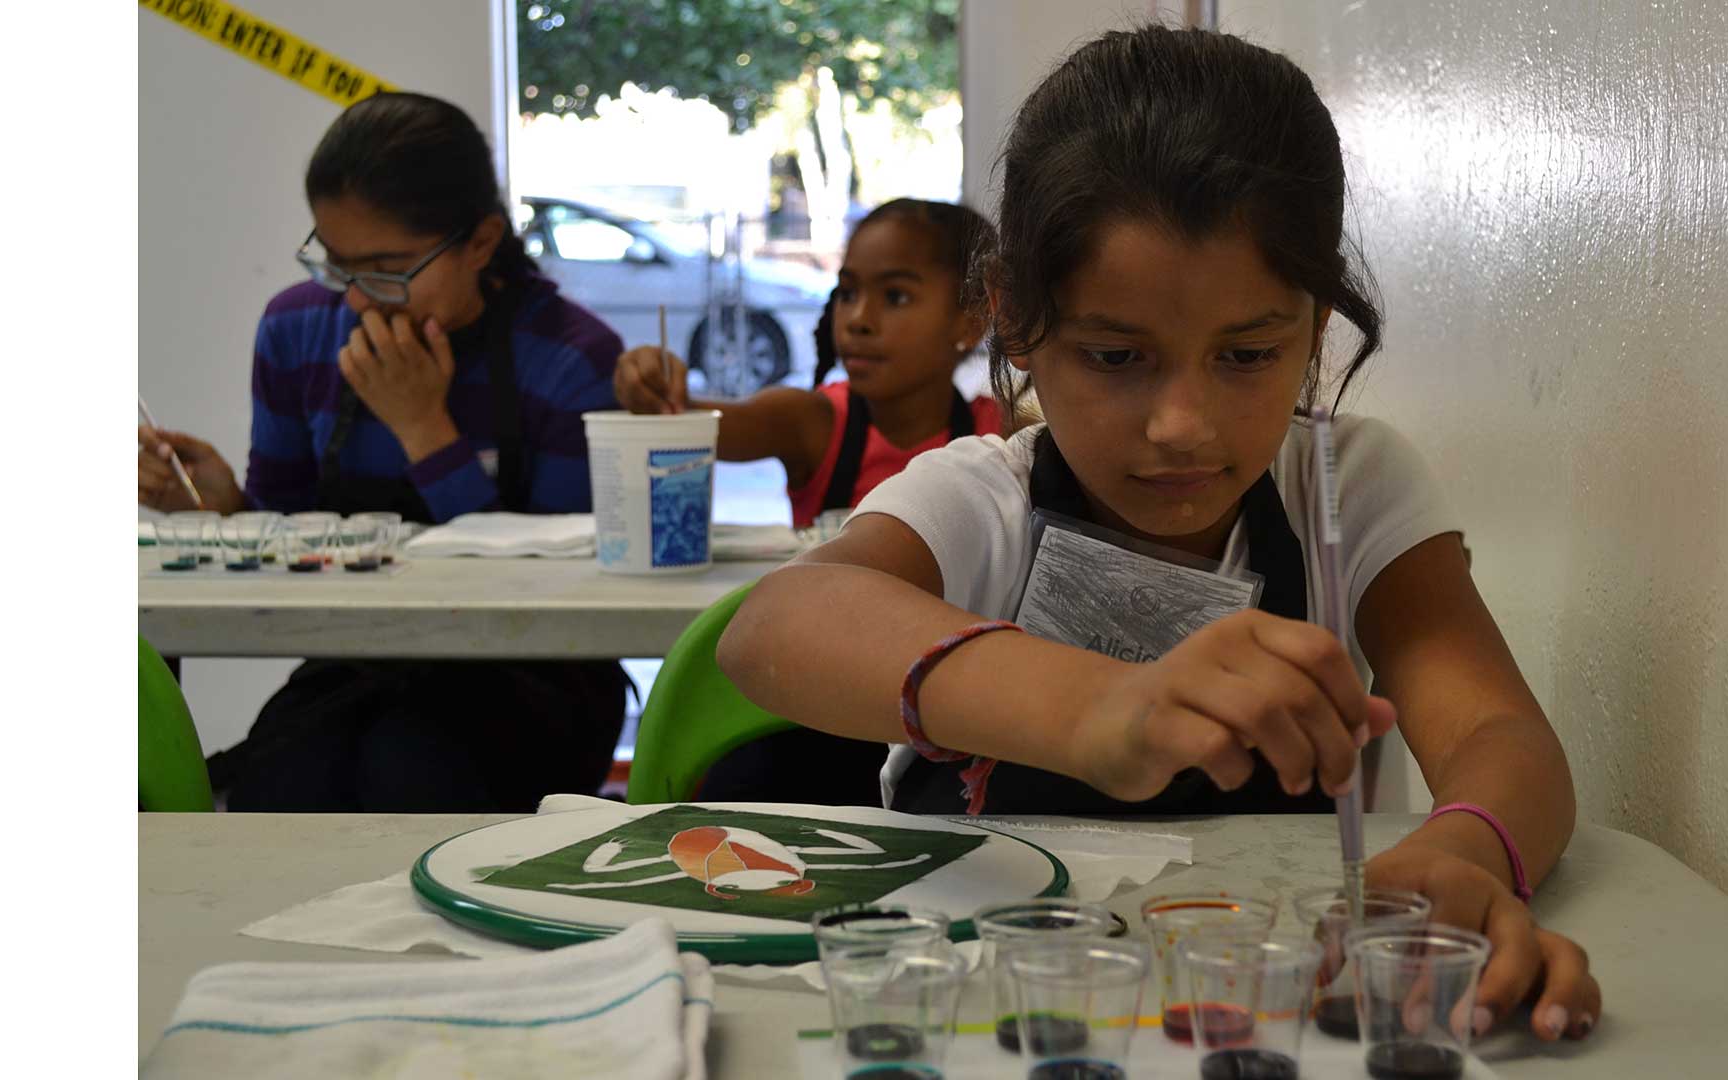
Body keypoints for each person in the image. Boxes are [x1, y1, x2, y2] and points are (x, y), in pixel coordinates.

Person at [718, 26, 1602, 1042]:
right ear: (1013, 320)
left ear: (1315, 327)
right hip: (990, 1009)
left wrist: (1463, 854)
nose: (1182, 424)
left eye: (1248, 353)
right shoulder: (982, 499)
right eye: (1114, 354)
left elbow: (1503, 738)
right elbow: (775, 627)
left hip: (1270, 1013)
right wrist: (1102, 708)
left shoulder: (1345, 490)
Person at [137, 91, 628, 813]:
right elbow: (296, 530)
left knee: (413, 777)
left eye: (388, 268)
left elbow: (570, 595)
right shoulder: (298, 329)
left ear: (482, 242)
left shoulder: (568, 358)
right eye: (338, 267)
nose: (362, 301)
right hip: (358, 661)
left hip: (535, 679)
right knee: (280, 797)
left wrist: (425, 432)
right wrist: (224, 511)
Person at [613, 198, 1004, 806]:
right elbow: (696, 420)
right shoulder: (815, 422)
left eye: (895, 296)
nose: (860, 319)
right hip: (816, 710)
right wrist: (656, 390)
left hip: (937, 717)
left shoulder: (998, 436)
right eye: (848, 293)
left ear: (971, 319)